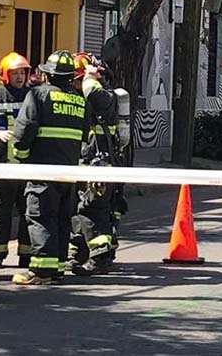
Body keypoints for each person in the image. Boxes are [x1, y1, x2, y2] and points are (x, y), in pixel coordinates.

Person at [11, 50, 86, 286]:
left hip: (42, 170)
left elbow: (24, 130)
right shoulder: (80, 101)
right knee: (62, 219)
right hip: (69, 173)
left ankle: (42, 271)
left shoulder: (38, 95)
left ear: (48, 75)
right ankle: (58, 268)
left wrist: (20, 157)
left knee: (41, 217)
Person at [68, 53, 123, 276]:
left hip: (97, 161)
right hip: (98, 159)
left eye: (76, 79)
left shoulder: (99, 94)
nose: (73, 84)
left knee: (90, 208)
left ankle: (99, 258)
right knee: (88, 208)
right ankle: (84, 253)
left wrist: (89, 79)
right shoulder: (101, 94)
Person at [0, 52, 33, 270]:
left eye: (23, 72)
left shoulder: (33, 96)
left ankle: (26, 252)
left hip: (26, 165)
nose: (20, 77)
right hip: (2, 164)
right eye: (15, 73)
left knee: (29, 212)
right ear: (5, 74)